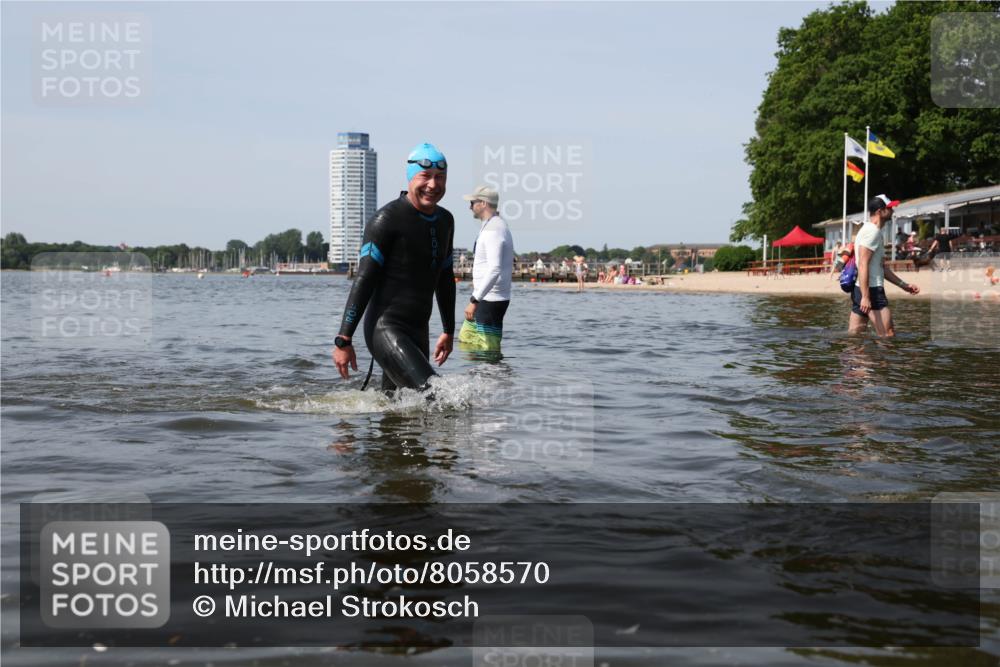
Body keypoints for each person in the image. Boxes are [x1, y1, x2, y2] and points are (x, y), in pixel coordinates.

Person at [332, 142, 455, 391]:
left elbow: (444, 278)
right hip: (385, 328)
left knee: (398, 412)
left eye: (440, 177)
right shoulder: (386, 220)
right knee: (433, 394)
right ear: (411, 177)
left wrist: (448, 331)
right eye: (426, 176)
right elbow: (364, 280)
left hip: (418, 329)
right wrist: (344, 339)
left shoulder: (445, 220)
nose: (433, 184)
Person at [849, 194, 920, 337]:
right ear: (879, 212)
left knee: (855, 337)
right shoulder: (873, 232)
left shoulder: (868, 229)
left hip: (860, 289)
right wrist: (866, 297)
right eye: (889, 208)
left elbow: (881, 268)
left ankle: (860, 360)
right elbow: (863, 264)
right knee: (888, 335)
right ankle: (882, 360)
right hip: (872, 291)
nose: (893, 210)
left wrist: (903, 285)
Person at [459, 185, 514, 355]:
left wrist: (474, 300)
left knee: (487, 350)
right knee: (467, 339)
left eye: (472, 202)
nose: (470, 206)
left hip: (490, 299)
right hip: (487, 297)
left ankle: (493, 380)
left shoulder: (494, 230)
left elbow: (494, 268)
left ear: (483, 203)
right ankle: (478, 379)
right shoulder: (492, 225)